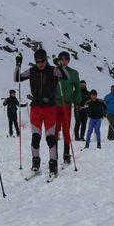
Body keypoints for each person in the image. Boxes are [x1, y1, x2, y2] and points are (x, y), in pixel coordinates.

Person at [14, 48, 67, 177]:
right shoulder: (32, 71)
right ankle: (35, 162)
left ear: (46, 60)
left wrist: (59, 65)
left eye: (42, 61)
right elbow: (17, 78)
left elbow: (66, 76)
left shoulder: (53, 70)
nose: (40, 64)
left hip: (50, 109)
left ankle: (53, 164)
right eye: (38, 61)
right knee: (35, 138)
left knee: (50, 138)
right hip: (36, 109)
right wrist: (18, 65)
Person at [53, 50, 81, 164]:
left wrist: (77, 100)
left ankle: (66, 153)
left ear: (69, 61)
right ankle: (53, 153)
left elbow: (78, 88)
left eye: (66, 59)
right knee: (54, 130)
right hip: (55, 104)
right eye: (62, 59)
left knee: (66, 129)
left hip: (67, 105)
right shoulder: (54, 71)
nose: (64, 62)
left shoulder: (73, 73)